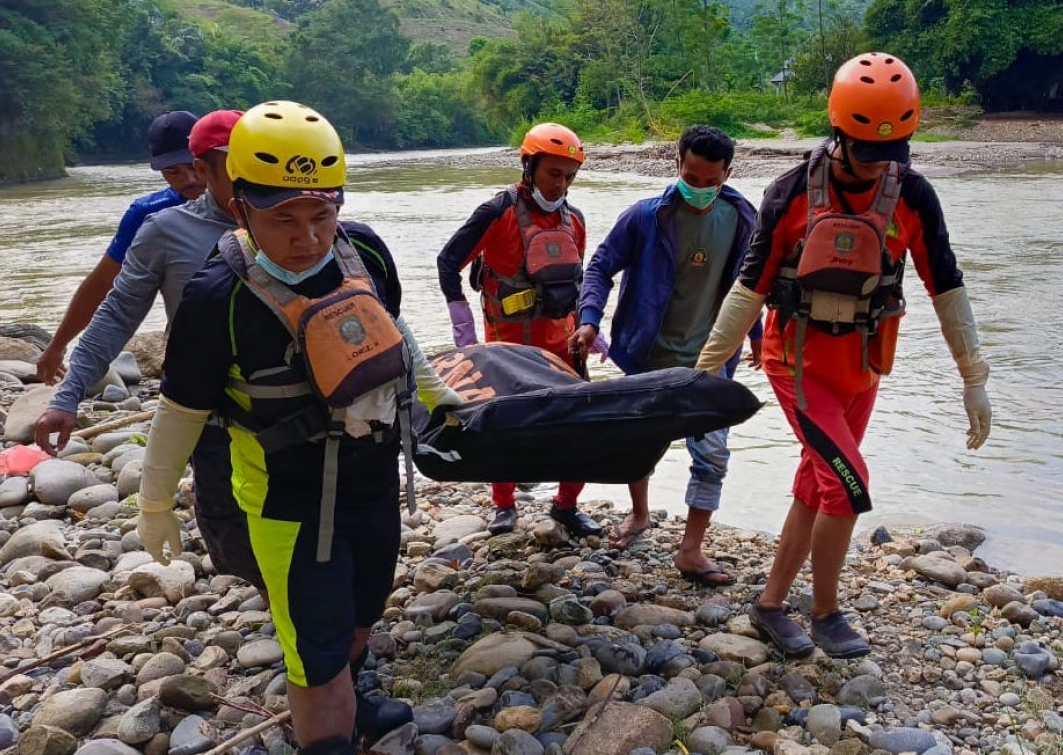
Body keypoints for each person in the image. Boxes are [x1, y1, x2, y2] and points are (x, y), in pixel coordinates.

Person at [133, 100, 461, 755]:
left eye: (322, 213)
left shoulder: (363, 249)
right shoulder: (214, 297)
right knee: (313, 654)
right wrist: (154, 500)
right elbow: (181, 409)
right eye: (285, 218)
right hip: (288, 505)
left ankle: (353, 699)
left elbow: (397, 335)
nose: (308, 236)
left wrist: (444, 400)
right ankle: (328, 728)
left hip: (372, 484)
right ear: (240, 206)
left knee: (360, 617)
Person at [695, 52, 993, 658]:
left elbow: (947, 286)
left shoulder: (913, 194)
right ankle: (827, 611)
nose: (879, 163)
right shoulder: (789, 192)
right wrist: (703, 375)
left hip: (864, 366)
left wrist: (973, 379)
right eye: (865, 150)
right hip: (797, 364)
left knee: (817, 481)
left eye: (892, 152)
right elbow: (750, 286)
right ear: (838, 132)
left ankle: (770, 605)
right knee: (849, 483)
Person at [33, 110, 263, 588]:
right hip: (212, 406)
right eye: (234, 166)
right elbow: (116, 308)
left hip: (291, 399)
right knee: (227, 527)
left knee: (303, 511)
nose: (249, 178)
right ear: (205, 169)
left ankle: (314, 619)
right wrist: (67, 392)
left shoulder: (291, 214)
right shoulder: (162, 228)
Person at [568, 125, 762, 586]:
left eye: (708, 181)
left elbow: (751, 283)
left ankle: (691, 549)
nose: (697, 188)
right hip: (648, 354)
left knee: (712, 454)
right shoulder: (645, 217)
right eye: (689, 177)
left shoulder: (743, 218)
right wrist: (589, 318)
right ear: (677, 166)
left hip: (711, 360)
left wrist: (757, 335)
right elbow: (600, 265)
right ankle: (639, 515)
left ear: (727, 174)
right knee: (640, 444)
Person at [436, 122, 604, 538]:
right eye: (553, 173)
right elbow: (447, 262)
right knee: (505, 430)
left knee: (580, 428)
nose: (561, 184)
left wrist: (590, 327)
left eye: (569, 176)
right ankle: (504, 506)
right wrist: (463, 328)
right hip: (507, 349)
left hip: (563, 347)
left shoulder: (575, 220)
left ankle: (566, 506)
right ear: (528, 165)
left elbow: (577, 280)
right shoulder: (497, 212)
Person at [37, 110, 207, 384]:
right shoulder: (148, 214)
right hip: (194, 342)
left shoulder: (252, 199)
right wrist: (57, 345)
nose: (188, 179)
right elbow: (103, 281)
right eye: (173, 171)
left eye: (193, 166)